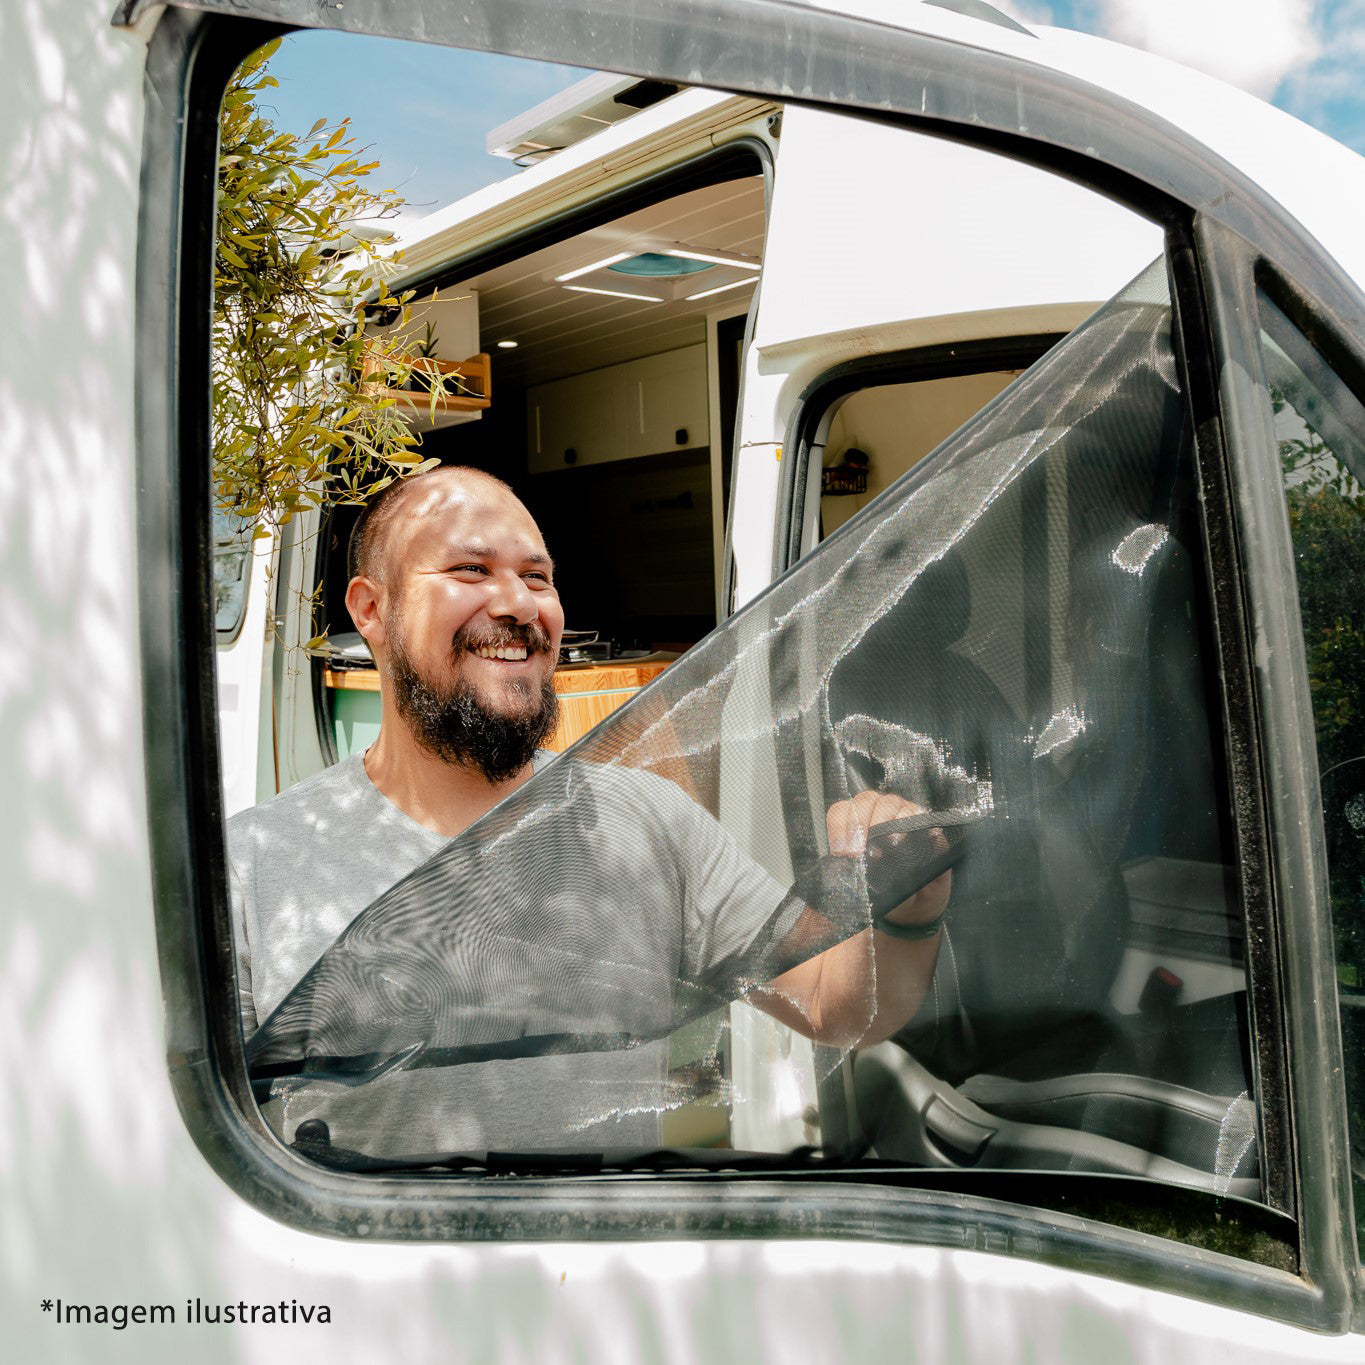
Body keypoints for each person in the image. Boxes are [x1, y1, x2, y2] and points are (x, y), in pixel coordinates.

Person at [229, 466, 950, 1153]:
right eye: (470, 570)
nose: (517, 604)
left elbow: (829, 1005)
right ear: (372, 609)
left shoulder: (648, 821)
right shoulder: (256, 865)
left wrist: (901, 907)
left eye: (537, 576)